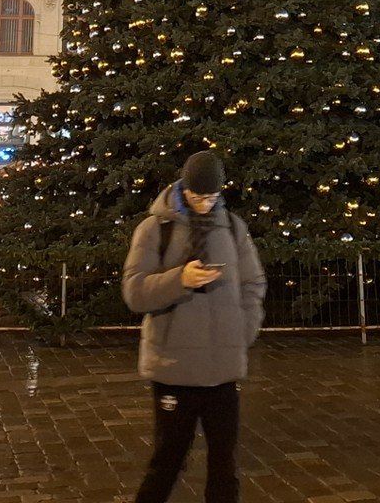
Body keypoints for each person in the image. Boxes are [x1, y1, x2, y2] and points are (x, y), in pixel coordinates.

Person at [121, 150, 266, 503]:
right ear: (184, 188)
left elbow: (253, 283)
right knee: (167, 464)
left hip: (222, 370)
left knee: (224, 466)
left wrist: (242, 331)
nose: (205, 203)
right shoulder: (156, 229)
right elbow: (134, 292)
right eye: (199, 196)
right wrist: (179, 279)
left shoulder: (232, 227)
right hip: (175, 371)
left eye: (212, 196)